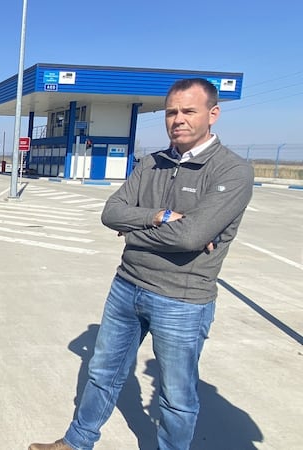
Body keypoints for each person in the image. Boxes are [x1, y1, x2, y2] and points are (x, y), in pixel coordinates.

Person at [29, 78, 254, 450]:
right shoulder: (151, 162)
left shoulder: (232, 171)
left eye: (188, 111)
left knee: (176, 398)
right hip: (127, 286)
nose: (177, 119)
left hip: (181, 299)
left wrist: (134, 232)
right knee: (102, 373)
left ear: (213, 114)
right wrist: (160, 217)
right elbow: (111, 212)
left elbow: (189, 238)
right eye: (171, 112)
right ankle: (75, 443)